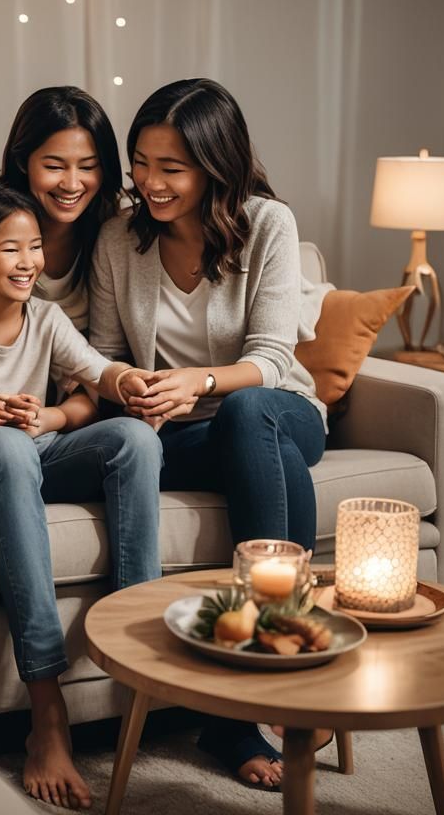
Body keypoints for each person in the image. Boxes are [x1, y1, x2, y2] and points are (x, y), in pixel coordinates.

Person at [89, 77, 329, 788]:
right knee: (249, 444)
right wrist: (131, 386)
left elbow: (272, 358)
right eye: (141, 163)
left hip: (277, 409)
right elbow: (104, 354)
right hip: (179, 435)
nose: (150, 183)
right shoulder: (118, 238)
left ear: (215, 165)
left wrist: (198, 381)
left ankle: (247, 688)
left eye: (172, 167)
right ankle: (286, 663)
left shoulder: (267, 224)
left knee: (250, 414)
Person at [0, 181, 163, 810]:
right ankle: (46, 709)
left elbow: (96, 374)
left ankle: (138, 646)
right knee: (8, 447)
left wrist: (104, 393)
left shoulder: (45, 317)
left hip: (29, 449)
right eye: (11, 248)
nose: (29, 262)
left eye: (36, 246)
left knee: (133, 438)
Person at [0, 86, 123, 332]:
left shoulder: (114, 231)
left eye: (87, 167)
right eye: (54, 167)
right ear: (22, 162)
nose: (72, 185)